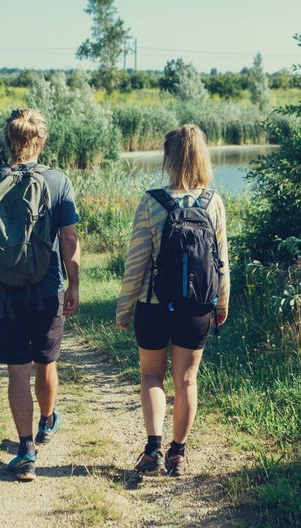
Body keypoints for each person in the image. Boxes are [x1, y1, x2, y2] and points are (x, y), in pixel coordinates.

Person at [0, 108, 81, 482]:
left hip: (4, 293)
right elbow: (69, 239)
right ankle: (47, 422)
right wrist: (73, 283)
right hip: (46, 288)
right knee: (46, 362)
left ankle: (26, 450)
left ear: (7, 139)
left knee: (17, 370)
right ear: (41, 141)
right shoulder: (58, 181)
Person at [115, 124, 230, 476]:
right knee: (187, 381)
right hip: (197, 307)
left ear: (168, 158)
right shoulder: (213, 202)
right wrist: (221, 303)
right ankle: (178, 453)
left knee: (151, 377)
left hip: (153, 305)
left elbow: (136, 262)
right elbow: (222, 260)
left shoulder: (152, 202)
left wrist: (124, 307)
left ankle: (153, 448)